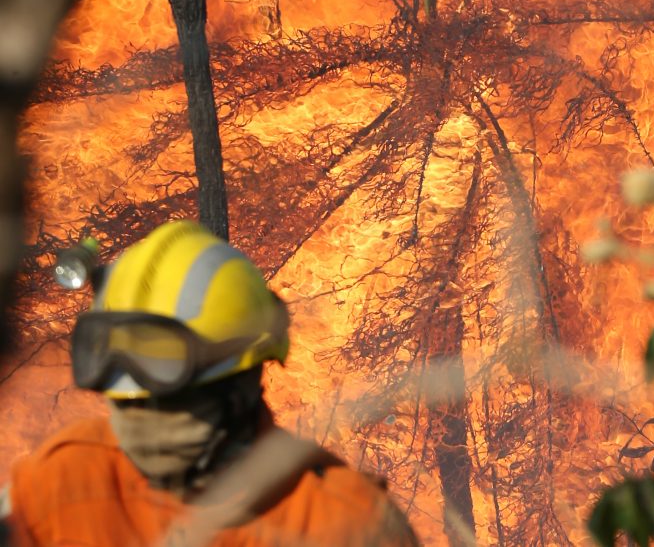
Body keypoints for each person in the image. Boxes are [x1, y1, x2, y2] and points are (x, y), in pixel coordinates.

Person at [2, 220, 419, 547]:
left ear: (242, 379)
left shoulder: (342, 525)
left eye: (168, 386)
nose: (139, 413)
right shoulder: (62, 480)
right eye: (122, 388)